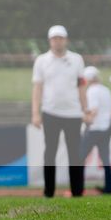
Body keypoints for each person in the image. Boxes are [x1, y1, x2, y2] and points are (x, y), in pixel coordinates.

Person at [30, 23, 87, 198]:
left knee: (75, 154)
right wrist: (35, 113)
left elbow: (81, 86)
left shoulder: (77, 59)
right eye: (54, 39)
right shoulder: (41, 61)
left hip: (73, 113)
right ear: (49, 41)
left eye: (60, 38)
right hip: (50, 112)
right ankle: (49, 191)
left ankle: (77, 191)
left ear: (66, 40)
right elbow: (37, 88)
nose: (57, 42)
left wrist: (86, 109)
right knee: (50, 153)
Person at [82, 66, 111, 195]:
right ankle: (109, 187)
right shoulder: (106, 90)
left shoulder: (92, 91)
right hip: (106, 129)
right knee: (106, 159)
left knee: (80, 158)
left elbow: (93, 110)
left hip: (94, 129)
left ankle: (77, 187)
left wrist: (84, 119)